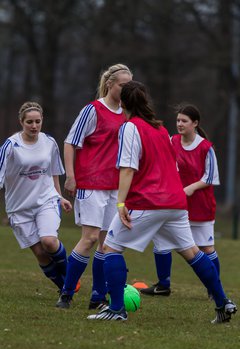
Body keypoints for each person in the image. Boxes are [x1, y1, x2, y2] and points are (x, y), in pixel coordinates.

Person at [87, 81, 237, 323]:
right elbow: (173, 167)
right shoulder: (160, 129)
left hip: (148, 200)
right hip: (176, 203)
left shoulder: (130, 127)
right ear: (146, 101)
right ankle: (222, 302)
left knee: (110, 248)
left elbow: (127, 169)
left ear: (123, 103)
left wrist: (120, 204)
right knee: (192, 252)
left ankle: (116, 309)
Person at [56, 63, 133, 309]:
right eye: (123, 84)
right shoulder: (92, 110)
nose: (126, 89)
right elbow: (70, 142)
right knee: (89, 238)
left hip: (114, 187)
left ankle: (98, 297)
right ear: (110, 84)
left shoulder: (127, 113)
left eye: (129, 85)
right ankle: (66, 293)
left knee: (106, 243)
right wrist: (70, 175)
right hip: (91, 183)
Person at [141, 104, 221, 298]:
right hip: (175, 203)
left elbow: (210, 177)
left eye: (184, 121)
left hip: (201, 205)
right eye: (178, 120)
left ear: (195, 123)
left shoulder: (205, 148)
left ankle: (214, 288)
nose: (179, 124)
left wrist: (190, 188)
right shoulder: (171, 141)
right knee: (161, 241)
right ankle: (163, 285)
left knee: (205, 247)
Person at [0, 101, 72, 291]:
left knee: (49, 241)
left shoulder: (49, 142)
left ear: (42, 121)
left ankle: (70, 283)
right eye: (29, 122)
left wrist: (60, 196)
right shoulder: (11, 145)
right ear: (21, 122)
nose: (34, 126)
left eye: (37, 121)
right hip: (19, 208)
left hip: (45, 201)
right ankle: (65, 286)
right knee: (40, 253)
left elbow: (54, 171)